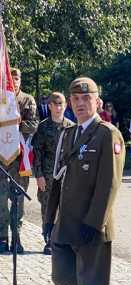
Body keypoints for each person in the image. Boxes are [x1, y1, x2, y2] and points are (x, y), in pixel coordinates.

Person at [45, 77, 125, 285]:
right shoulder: (68, 134)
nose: (80, 103)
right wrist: (48, 217)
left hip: (92, 226)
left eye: (86, 98)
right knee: (61, 276)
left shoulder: (107, 134)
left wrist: (95, 223)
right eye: (75, 99)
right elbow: (57, 179)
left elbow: (109, 184)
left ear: (97, 102)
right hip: (66, 223)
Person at [0, 67, 38, 254]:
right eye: (10, 78)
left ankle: (17, 238)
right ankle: (2, 238)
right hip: (1, 159)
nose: (13, 81)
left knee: (18, 200)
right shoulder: (1, 99)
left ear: (20, 80)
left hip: (20, 160)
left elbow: (33, 125)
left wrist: (15, 124)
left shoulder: (27, 100)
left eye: (16, 78)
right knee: (0, 200)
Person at [32, 92, 73, 255]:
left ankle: (61, 240)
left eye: (61, 103)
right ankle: (49, 239)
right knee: (47, 207)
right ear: (49, 106)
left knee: (64, 207)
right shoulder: (43, 126)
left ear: (65, 105)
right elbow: (37, 152)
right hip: (48, 174)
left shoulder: (71, 126)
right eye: (55, 104)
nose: (58, 107)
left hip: (65, 175)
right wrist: (39, 175)